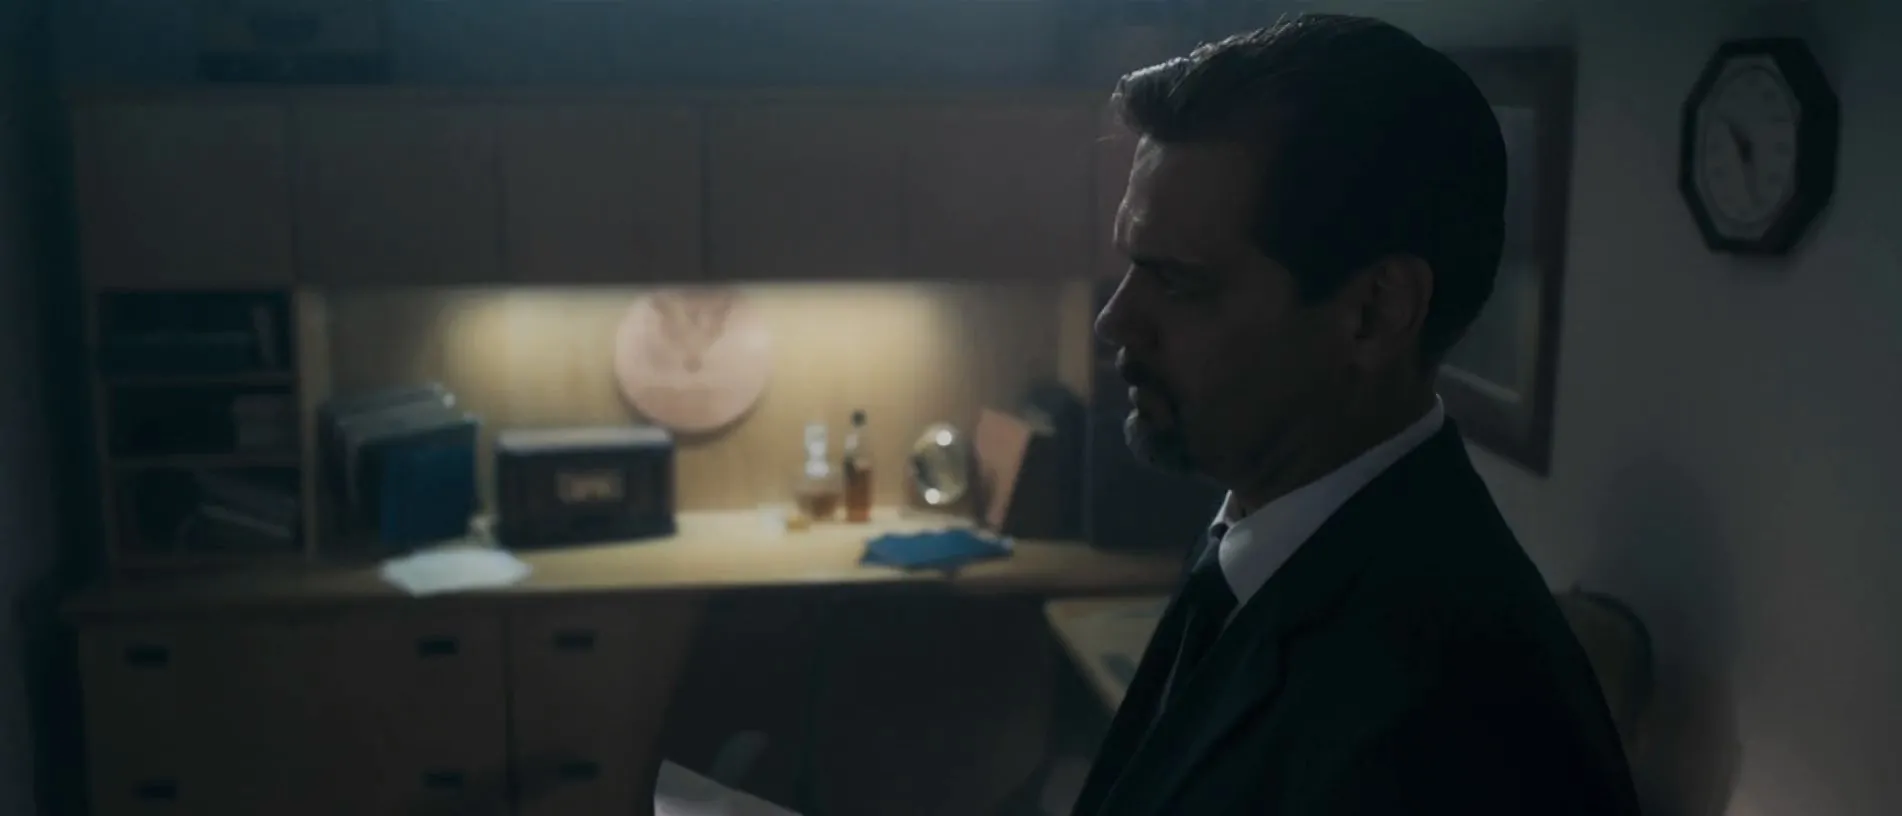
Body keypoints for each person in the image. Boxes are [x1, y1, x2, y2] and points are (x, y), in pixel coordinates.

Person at [1076, 15, 1640, 816]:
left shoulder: (1457, 722)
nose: (1115, 322)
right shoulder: (1269, 542)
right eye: (1133, 264)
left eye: (1180, 282)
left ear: (1375, 314)